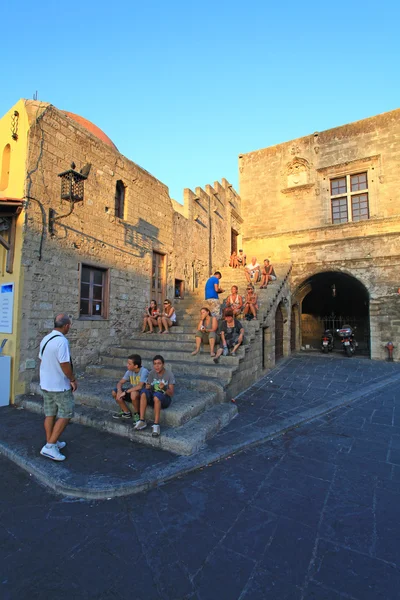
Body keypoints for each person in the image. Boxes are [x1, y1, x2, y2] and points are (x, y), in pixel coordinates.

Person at [38, 313, 76, 462]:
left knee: (50, 414)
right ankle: (50, 446)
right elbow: (64, 364)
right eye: (69, 325)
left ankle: (51, 442)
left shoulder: (45, 339)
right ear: (66, 326)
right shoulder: (62, 341)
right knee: (66, 413)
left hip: (46, 384)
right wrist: (72, 379)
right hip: (59, 385)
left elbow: (42, 359)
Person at [133, 355, 175, 437]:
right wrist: (148, 387)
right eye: (155, 364)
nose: (157, 366)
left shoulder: (169, 374)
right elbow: (149, 387)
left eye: (159, 363)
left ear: (163, 364)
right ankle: (142, 421)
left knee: (157, 396)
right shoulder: (152, 373)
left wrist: (165, 388)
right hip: (153, 397)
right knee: (144, 391)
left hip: (165, 399)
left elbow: (171, 393)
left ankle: (156, 425)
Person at [111, 354, 149, 422]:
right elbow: (120, 382)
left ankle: (137, 414)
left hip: (142, 394)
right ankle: (126, 412)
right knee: (114, 392)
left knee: (133, 393)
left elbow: (140, 386)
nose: (127, 365)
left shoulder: (144, 371)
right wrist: (119, 391)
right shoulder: (129, 371)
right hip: (132, 392)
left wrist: (125, 392)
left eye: (129, 364)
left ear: (136, 366)